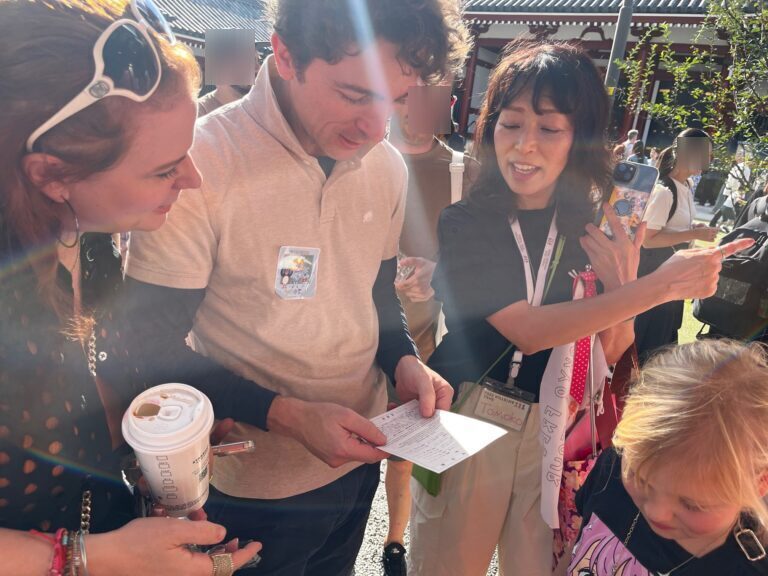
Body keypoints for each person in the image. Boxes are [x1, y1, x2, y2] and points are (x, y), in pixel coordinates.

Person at [120, 1, 471, 574]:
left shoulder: (385, 167)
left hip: (358, 464)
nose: (377, 128)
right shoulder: (200, 163)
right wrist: (283, 414)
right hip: (247, 488)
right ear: (284, 54)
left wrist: (404, 360)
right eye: (356, 95)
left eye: (397, 98)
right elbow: (146, 346)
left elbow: (376, 296)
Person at [407, 40, 753, 576]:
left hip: (558, 428)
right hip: (470, 415)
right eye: (511, 123)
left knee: (540, 567)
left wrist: (622, 285)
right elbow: (526, 331)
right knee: (447, 565)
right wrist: (656, 288)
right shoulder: (467, 222)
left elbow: (615, 353)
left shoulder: (592, 225)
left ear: (580, 138)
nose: (524, 146)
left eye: (549, 128)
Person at [0, 0, 261, 574]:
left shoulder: (86, 242)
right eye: (164, 169)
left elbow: (77, 416)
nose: (192, 180)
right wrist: (91, 558)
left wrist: (151, 444)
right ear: (50, 175)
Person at [563, 339, 768, 575]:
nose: (656, 512)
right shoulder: (613, 468)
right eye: (641, 480)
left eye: (693, 504)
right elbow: (576, 550)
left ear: (759, 483)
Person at [382, 85, 478, 576]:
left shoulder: (466, 171)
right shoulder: (361, 155)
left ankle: (394, 542)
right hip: (352, 336)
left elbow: (483, 263)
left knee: (404, 448)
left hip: (422, 337)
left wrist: (438, 275)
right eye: (406, 94)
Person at [634, 130, 719, 361]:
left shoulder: (687, 185)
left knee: (663, 346)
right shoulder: (664, 190)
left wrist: (694, 226)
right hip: (655, 281)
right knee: (649, 348)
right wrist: (693, 232)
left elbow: (674, 225)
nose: (707, 161)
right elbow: (649, 240)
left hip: (673, 280)